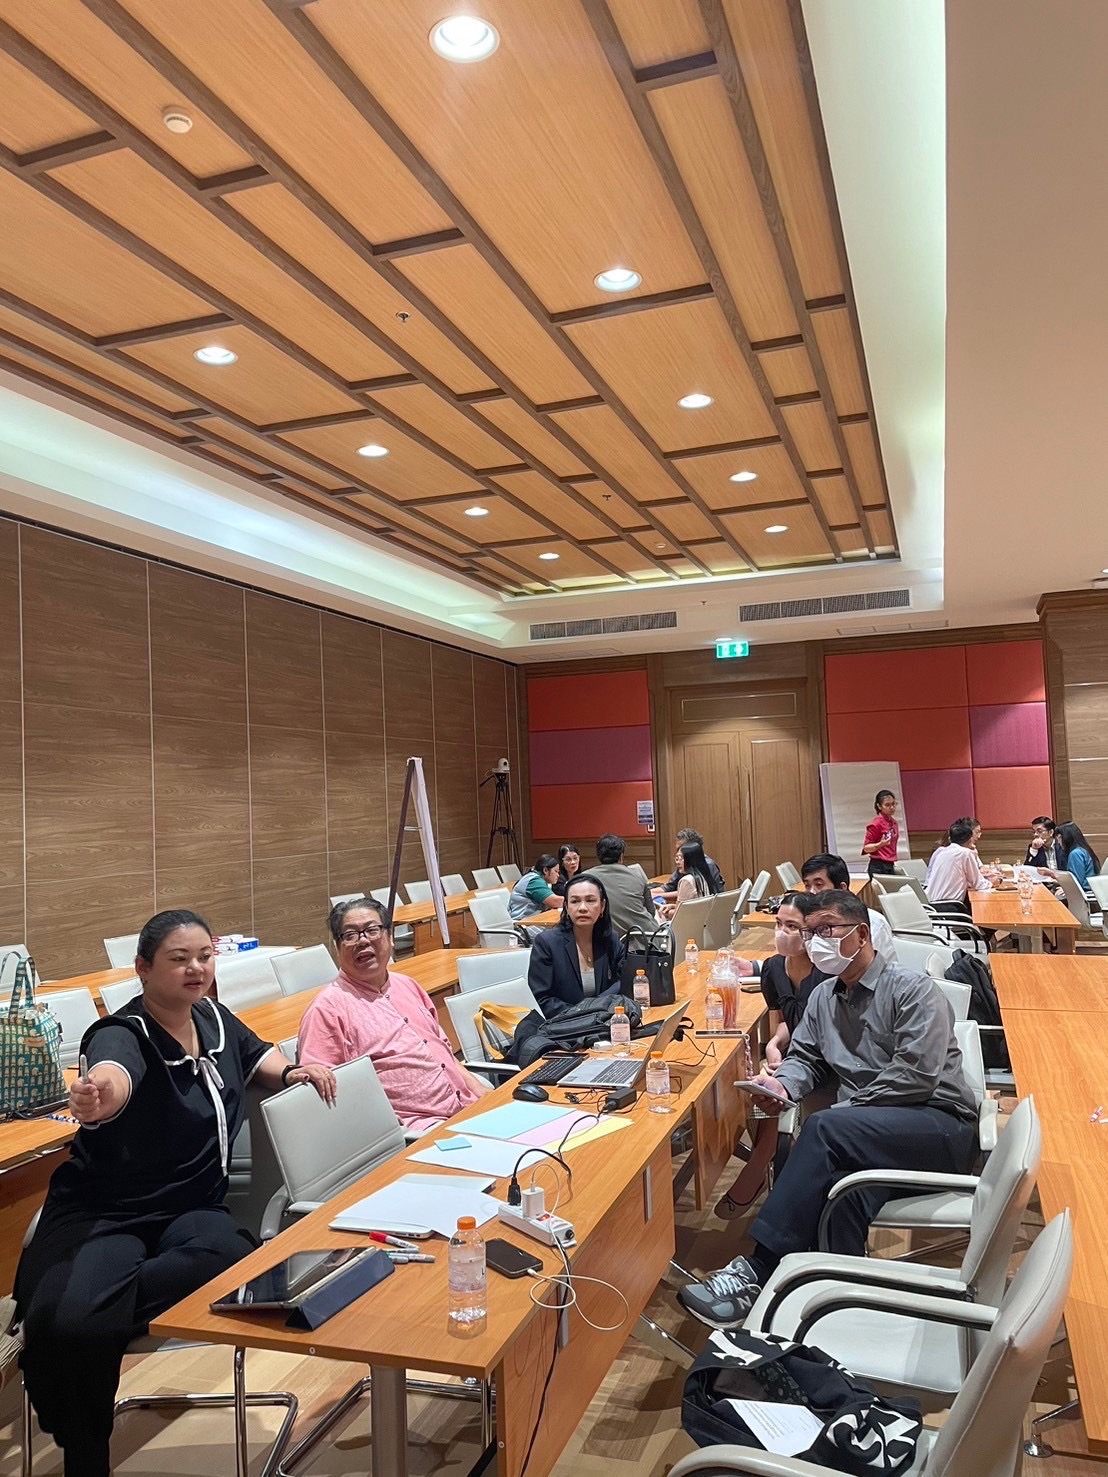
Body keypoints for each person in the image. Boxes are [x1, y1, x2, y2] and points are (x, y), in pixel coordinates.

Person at [15, 909, 336, 1477]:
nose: (196, 969)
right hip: (108, 1211)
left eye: (204, 957)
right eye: (179, 959)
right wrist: (101, 1096)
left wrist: (291, 1072)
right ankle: (86, 1452)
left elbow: (254, 1051)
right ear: (143, 968)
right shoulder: (123, 1032)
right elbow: (115, 1071)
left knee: (233, 1257)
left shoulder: (211, 1015)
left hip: (191, 1207)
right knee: (71, 1325)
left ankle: (90, 1305)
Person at [678, 889, 977, 1329]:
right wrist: (782, 1083)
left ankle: (758, 1269)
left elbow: (916, 1075)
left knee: (823, 1127)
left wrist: (845, 1113)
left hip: (940, 1126)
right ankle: (839, 1309)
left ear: (861, 935)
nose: (816, 941)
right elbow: (806, 1058)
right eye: (810, 932)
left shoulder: (912, 990)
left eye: (827, 930)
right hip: (867, 1134)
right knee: (842, 1194)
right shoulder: (823, 998)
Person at [298, 897, 490, 1131]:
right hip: (418, 1129)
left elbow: (444, 1053)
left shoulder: (407, 984)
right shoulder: (327, 1010)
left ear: (390, 937)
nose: (362, 941)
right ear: (338, 948)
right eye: (350, 935)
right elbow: (321, 1093)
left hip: (467, 1107)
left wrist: (479, 1090)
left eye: (372, 930)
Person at [714, 894, 832, 1218]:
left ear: (810, 932)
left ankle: (756, 1172)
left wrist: (790, 1060)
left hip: (826, 1059)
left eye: (792, 926)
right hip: (796, 1055)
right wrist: (774, 1045)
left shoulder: (826, 973)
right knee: (759, 1086)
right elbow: (786, 1021)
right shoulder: (774, 968)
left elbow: (827, 1034)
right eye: (779, 924)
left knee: (773, 1092)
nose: (782, 932)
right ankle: (769, 1167)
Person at [528, 872, 627, 1017]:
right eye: (575, 901)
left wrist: (596, 1006)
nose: (582, 908)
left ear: (602, 906)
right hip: (563, 1024)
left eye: (590, 900)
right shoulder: (546, 943)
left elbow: (626, 979)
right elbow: (542, 999)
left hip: (603, 1021)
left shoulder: (610, 939)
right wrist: (583, 1013)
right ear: (566, 907)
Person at [800, 852, 899, 963]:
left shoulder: (874, 922)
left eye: (819, 884)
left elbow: (885, 966)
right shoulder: (807, 924)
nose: (812, 892)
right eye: (807, 885)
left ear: (841, 888)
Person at [591, 833, 659, 937]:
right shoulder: (638, 876)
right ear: (621, 856)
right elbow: (651, 912)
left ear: (598, 855)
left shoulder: (587, 878)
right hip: (647, 938)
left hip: (604, 940)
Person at [925, 818, 991, 915]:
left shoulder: (941, 851)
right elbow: (978, 884)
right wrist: (992, 882)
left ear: (950, 839)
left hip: (931, 906)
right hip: (949, 908)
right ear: (969, 840)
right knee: (981, 915)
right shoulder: (965, 853)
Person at [661, 827, 725, 899]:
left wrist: (656, 896)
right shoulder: (686, 866)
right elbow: (669, 887)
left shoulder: (706, 866)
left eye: (680, 849)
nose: (678, 853)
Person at [659, 839, 714, 920]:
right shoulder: (703, 877)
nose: (678, 862)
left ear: (690, 859)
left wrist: (663, 912)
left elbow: (679, 916)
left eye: (681, 858)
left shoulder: (687, 881)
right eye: (677, 858)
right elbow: (695, 907)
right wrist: (673, 906)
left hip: (687, 926)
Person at [507, 855, 563, 920]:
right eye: (556, 871)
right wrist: (572, 900)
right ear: (545, 870)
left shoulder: (533, 877)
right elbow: (556, 902)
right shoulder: (534, 881)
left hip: (530, 921)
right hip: (520, 923)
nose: (558, 875)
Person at [1050, 822, 1101, 891]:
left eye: (1059, 838)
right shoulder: (1083, 849)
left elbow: (1076, 882)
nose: (1058, 842)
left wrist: (1065, 889)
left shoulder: (1076, 853)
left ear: (1067, 837)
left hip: (1085, 892)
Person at [860, 790, 899, 878]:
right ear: (879, 806)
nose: (892, 807)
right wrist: (880, 845)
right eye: (887, 805)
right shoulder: (876, 824)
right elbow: (866, 848)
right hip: (878, 865)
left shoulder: (894, 823)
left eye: (893, 804)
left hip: (890, 864)